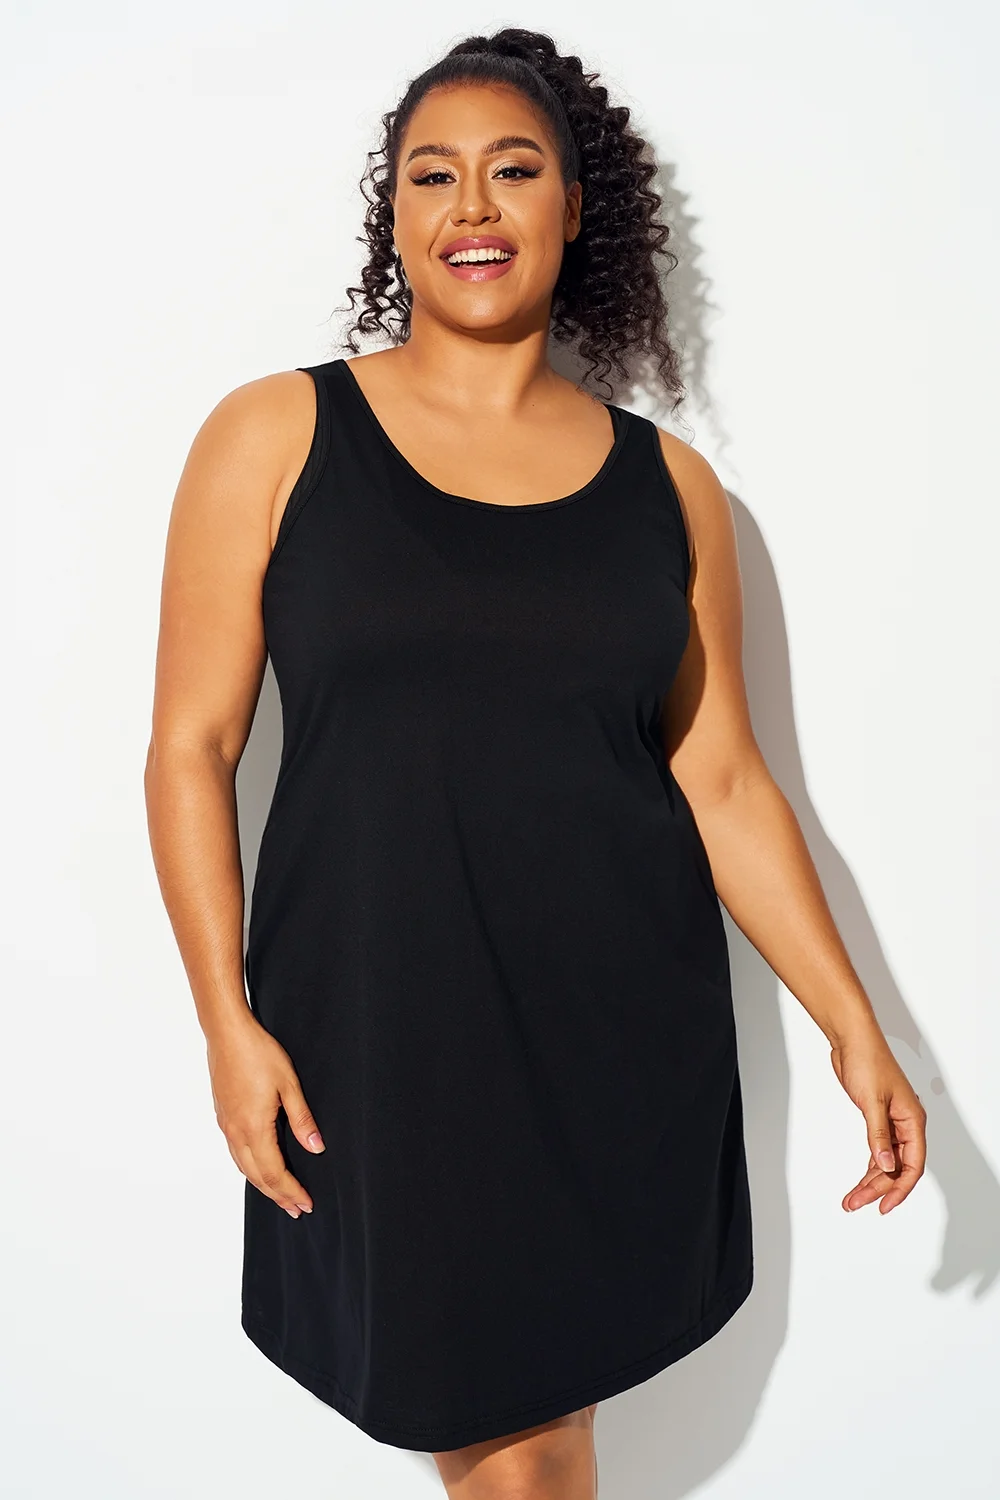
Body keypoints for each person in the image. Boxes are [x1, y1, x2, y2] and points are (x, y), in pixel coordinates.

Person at [144, 27, 927, 1500]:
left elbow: (723, 781)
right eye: (430, 175)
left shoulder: (671, 490)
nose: (472, 206)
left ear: (576, 208)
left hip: (615, 1033)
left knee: (546, 1445)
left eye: (513, 171)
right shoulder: (277, 436)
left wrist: (855, 1030)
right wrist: (223, 1022)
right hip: (382, 1036)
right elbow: (191, 745)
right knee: (514, 1446)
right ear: (393, 217)